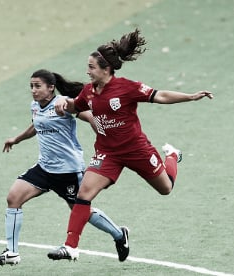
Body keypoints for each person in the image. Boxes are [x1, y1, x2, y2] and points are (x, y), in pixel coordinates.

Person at [47, 29, 213, 261]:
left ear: (106, 69)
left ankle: (172, 156)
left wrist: (190, 96)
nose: (87, 71)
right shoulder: (89, 90)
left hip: (137, 151)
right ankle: (71, 246)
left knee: (165, 188)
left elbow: (160, 95)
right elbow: (78, 106)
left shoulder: (127, 87)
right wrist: (65, 104)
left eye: (91, 67)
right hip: (107, 153)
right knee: (83, 194)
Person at [0, 69, 129, 266]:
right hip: (45, 168)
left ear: (51, 87)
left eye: (38, 86)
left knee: (82, 211)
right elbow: (36, 125)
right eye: (31, 86)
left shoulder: (63, 104)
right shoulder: (35, 105)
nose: (33, 90)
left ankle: (119, 234)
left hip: (68, 171)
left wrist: (106, 139)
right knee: (13, 198)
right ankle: (12, 252)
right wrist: (17, 139)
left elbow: (90, 117)